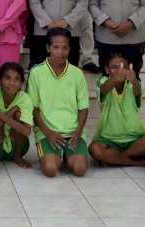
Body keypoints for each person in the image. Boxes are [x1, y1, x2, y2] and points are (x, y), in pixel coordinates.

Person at [27, 28, 89, 178]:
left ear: (69, 49)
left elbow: (84, 108)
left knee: (80, 170)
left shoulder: (77, 73)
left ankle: (67, 154)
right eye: (55, 47)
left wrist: (78, 132)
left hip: (72, 132)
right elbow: (33, 109)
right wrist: (48, 133)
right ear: (48, 48)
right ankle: (58, 154)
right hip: (48, 132)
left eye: (64, 47)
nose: (60, 52)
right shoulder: (36, 73)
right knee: (50, 170)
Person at [88, 54, 145, 166]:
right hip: (109, 140)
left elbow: (137, 92)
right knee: (95, 149)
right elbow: (104, 89)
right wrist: (114, 79)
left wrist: (134, 81)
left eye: (123, 67)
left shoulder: (133, 84)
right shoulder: (103, 81)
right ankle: (135, 162)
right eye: (114, 67)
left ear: (129, 69)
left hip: (134, 139)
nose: (120, 71)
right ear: (106, 69)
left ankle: (114, 159)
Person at [0, 62, 33, 169]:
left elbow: (27, 131)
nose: (11, 83)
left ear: (21, 83)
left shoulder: (25, 98)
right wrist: (12, 110)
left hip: (18, 147)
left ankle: (18, 157)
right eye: (7, 78)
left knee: (18, 115)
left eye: (16, 79)